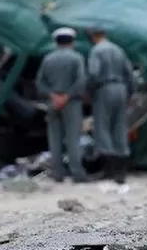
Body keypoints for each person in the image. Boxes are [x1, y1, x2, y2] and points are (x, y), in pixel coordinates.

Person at [36, 28, 89, 183]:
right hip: (71, 103)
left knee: (54, 138)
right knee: (73, 138)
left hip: (52, 102)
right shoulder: (76, 58)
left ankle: (57, 173)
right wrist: (66, 96)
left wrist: (53, 96)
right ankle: (77, 174)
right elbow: (81, 81)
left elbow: (39, 82)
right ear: (72, 41)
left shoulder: (48, 59)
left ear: (56, 41)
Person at [86, 26, 135, 185]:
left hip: (104, 89)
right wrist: (130, 93)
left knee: (103, 127)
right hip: (121, 88)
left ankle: (110, 168)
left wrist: (90, 92)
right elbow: (130, 73)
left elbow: (93, 73)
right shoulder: (118, 50)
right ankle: (122, 169)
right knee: (120, 126)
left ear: (92, 36)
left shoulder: (96, 51)